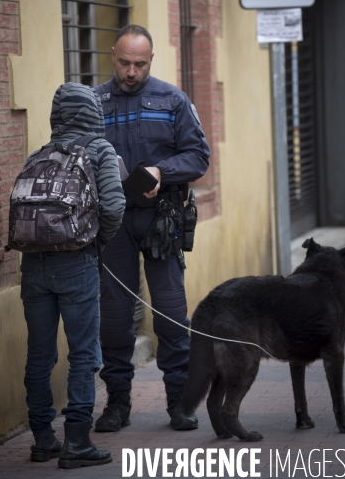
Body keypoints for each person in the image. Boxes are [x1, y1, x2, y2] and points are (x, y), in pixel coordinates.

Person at [94, 24, 210, 433]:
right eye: (124, 62)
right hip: (112, 222)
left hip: (162, 218)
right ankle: (117, 404)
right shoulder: (95, 102)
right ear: (112, 55)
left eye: (139, 64)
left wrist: (163, 168)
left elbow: (199, 155)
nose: (131, 71)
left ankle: (180, 402)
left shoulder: (172, 99)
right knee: (114, 314)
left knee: (171, 312)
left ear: (151, 61)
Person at [19, 83, 125, 468]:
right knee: (84, 354)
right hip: (76, 262)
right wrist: (95, 243)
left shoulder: (38, 153)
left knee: (40, 355)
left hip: (32, 266)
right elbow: (114, 206)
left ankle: (42, 439)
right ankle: (77, 442)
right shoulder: (99, 150)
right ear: (93, 113)